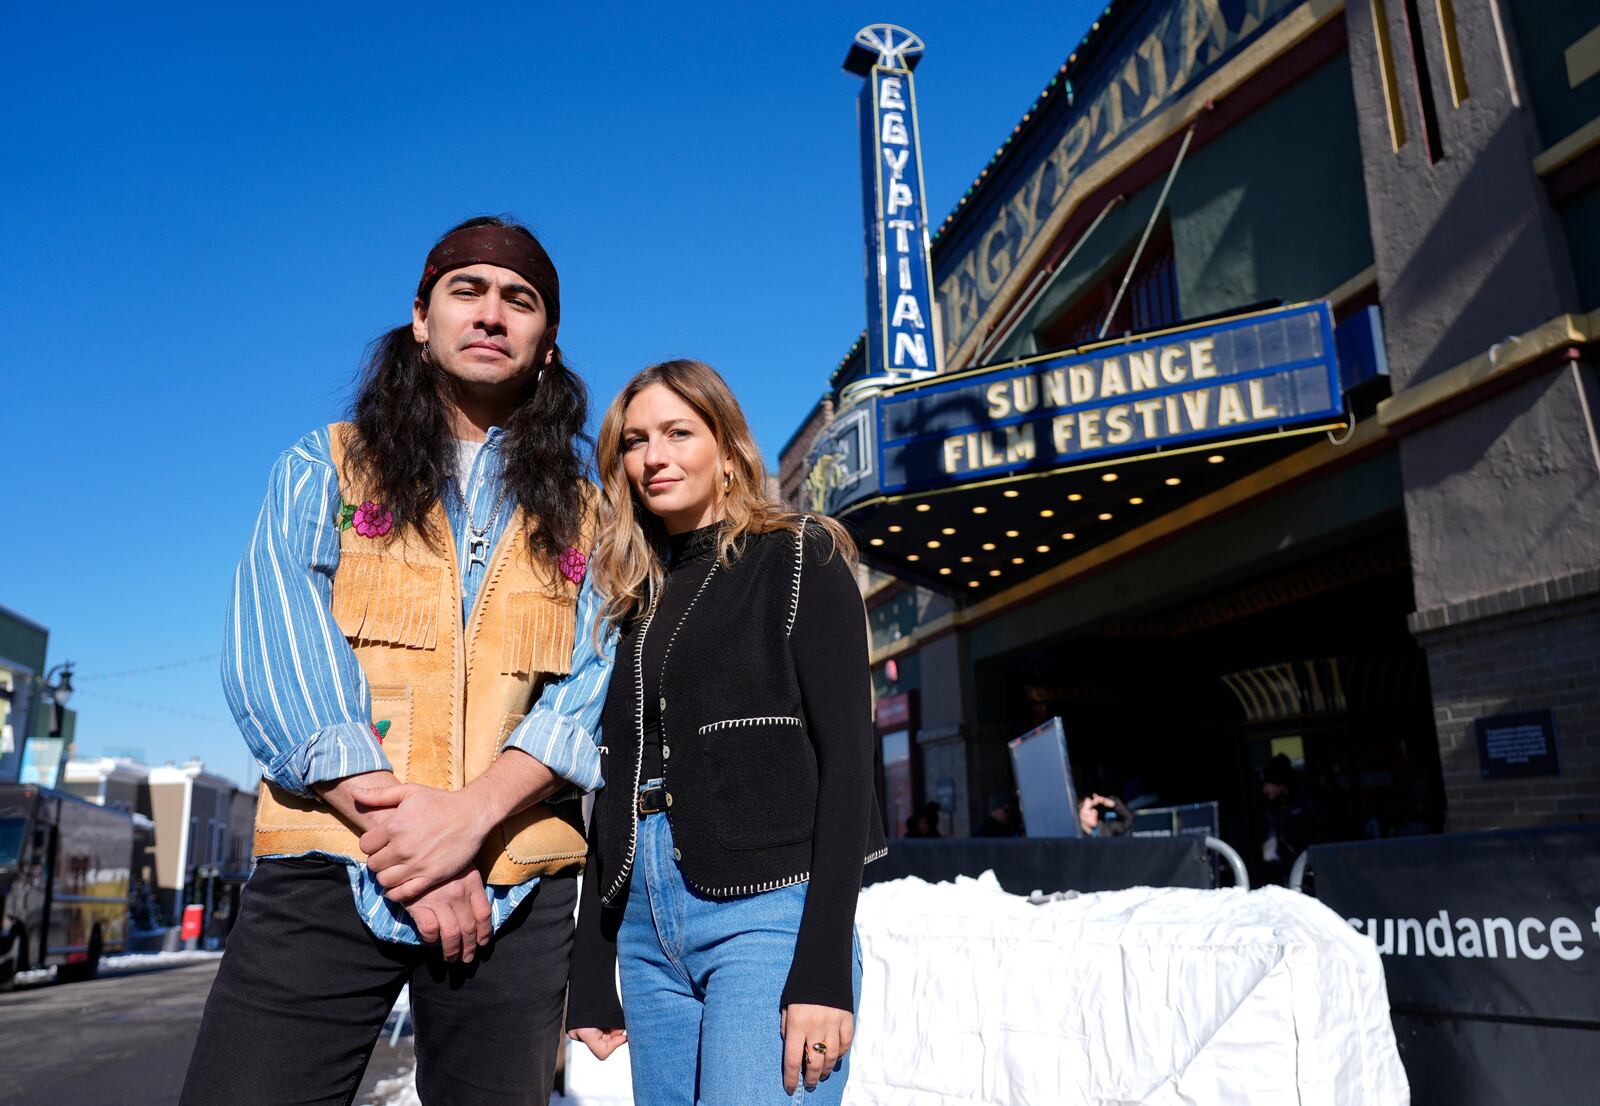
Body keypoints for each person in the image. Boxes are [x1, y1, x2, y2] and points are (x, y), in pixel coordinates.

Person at [181, 217, 611, 1106]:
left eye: (519, 301)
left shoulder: (588, 516)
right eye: (468, 291)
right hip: (328, 860)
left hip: (513, 890)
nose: (492, 314)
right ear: (421, 318)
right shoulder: (325, 467)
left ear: (546, 344)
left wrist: (470, 825)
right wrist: (414, 840)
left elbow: (589, 689)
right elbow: (276, 643)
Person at [565, 359, 886, 1104]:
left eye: (679, 432)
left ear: (726, 446)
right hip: (646, 932)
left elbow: (848, 766)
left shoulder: (799, 555)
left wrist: (824, 968)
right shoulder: (628, 598)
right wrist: (591, 965)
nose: (655, 457)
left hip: (768, 916)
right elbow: (613, 782)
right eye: (635, 441)